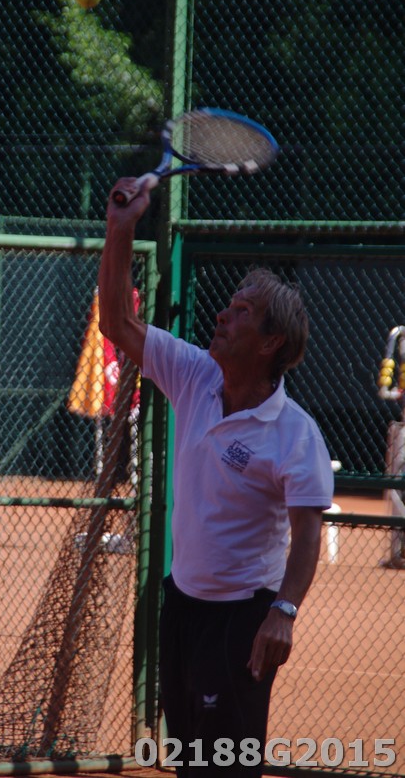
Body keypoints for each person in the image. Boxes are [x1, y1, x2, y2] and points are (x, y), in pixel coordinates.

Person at [98, 177, 334, 777]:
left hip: (242, 618)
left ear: (270, 342)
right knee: (188, 763)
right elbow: (117, 324)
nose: (224, 314)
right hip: (181, 606)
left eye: (243, 312)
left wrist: (284, 611)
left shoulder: (295, 433)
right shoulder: (195, 374)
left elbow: (308, 533)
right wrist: (121, 228)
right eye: (230, 304)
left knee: (224, 768)